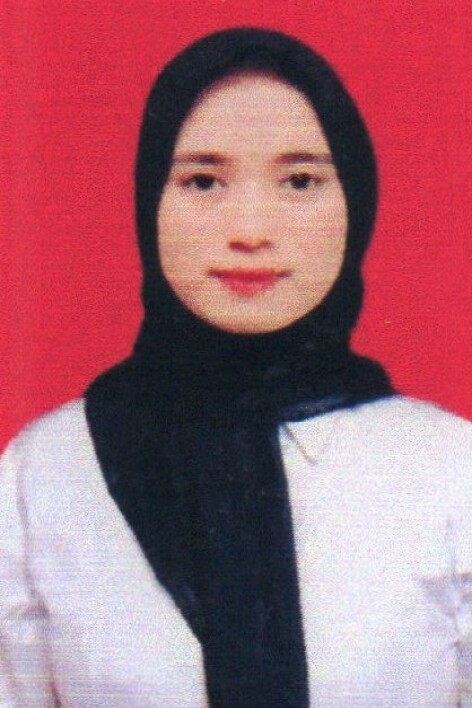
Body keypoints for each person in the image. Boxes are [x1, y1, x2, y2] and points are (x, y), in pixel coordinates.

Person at [1, 27, 471, 707]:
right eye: (203, 181)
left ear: (356, 201)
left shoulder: (448, 469)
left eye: (301, 181)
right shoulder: (43, 474)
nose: (250, 230)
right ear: (149, 200)